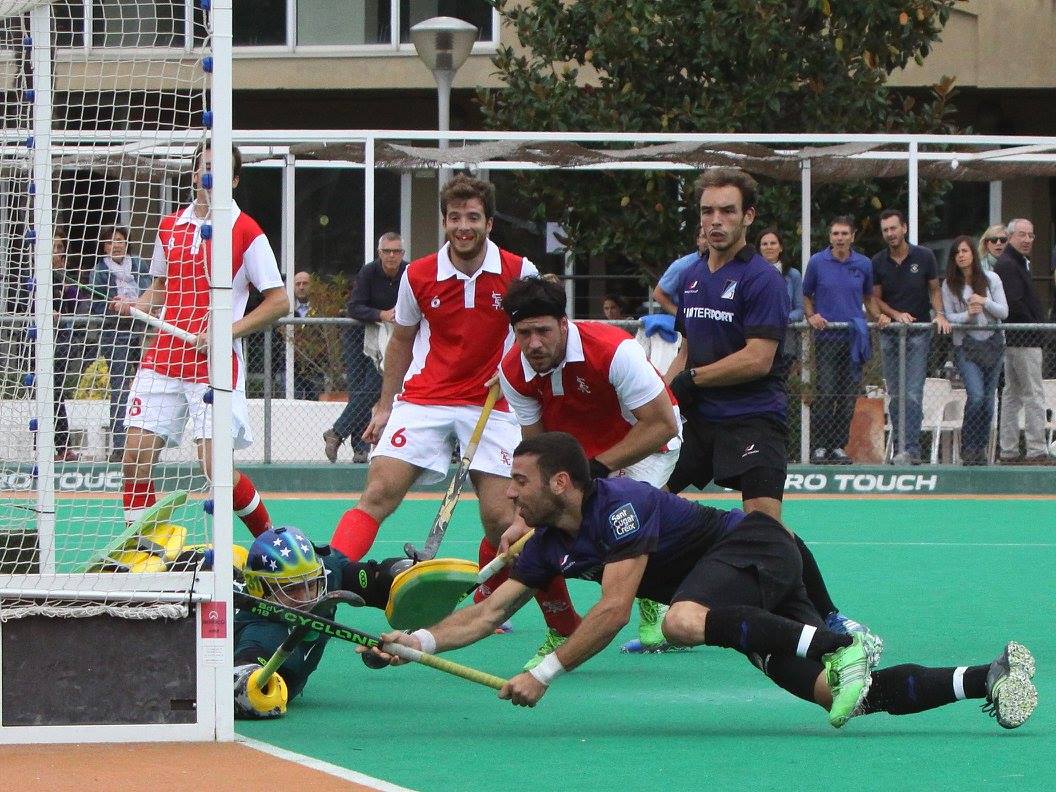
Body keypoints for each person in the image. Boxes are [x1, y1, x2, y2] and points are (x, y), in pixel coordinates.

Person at [368, 432, 1037, 731]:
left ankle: (838, 641)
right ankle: (988, 677)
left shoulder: (619, 505)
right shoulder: (548, 544)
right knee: (843, 698)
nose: (511, 497)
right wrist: (417, 642)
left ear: (562, 484)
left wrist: (543, 676)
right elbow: (485, 615)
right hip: (735, 598)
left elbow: (613, 610)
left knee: (682, 621)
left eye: (521, 482)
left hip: (757, 551)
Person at [328, 175, 580, 664]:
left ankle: (563, 623)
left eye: (473, 218)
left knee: (505, 519)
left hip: (494, 400)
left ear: (488, 221)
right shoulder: (419, 274)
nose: (463, 228)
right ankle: (325, 584)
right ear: (444, 222)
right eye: (454, 218)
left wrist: (514, 373)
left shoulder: (516, 269)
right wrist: (385, 405)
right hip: (427, 397)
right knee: (378, 492)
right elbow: (401, 340)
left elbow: (536, 335)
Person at [662, 169, 857, 636]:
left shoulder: (762, 279)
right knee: (646, 503)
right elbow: (686, 350)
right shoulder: (689, 276)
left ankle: (826, 613)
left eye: (727, 211)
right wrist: (661, 399)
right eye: (708, 211)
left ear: (747, 217)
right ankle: (657, 609)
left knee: (764, 529)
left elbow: (757, 358)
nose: (716, 220)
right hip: (699, 421)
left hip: (753, 419)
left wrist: (693, 380)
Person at [496, 276, 682, 656]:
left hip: (647, 442)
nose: (534, 344)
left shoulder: (614, 350)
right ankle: (562, 628)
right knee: (550, 523)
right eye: (524, 333)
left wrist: (594, 468)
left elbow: (663, 424)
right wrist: (525, 518)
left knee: (618, 519)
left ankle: (648, 600)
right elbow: (536, 451)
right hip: (582, 451)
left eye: (543, 331)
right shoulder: (514, 370)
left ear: (564, 325)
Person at [118, 144, 288, 537]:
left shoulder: (247, 231)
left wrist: (223, 332)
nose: (210, 176)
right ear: (195, 174)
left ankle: (269, 539)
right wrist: (136, 304)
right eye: (204, 167)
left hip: (213, 365)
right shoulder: (168, 226)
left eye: (220, 170)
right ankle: (145, 547)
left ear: (235, 180)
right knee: (133, 458)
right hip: (162, 357)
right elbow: (162, 287)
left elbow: (280, 301)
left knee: (216, 469)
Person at [232, 525, 414, 719]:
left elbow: (373, 579)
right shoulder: (257, 635)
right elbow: (239, 684)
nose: (307, 598)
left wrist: (407, 574)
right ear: (260, 590)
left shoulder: (324, 577)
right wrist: (248, 680)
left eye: (311, 584)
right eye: (291, 589)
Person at [871, 209, 950, 465]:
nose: (890, 234)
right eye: (885, 230)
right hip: (891, 335)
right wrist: (894, 315)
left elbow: (935, 289)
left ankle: (911, 449)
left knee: (913, 393)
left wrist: (939, 314)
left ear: (904, 228)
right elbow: (874, 299)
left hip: (918, 333)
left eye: (894, 228)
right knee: (895, 394)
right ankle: (900, 447)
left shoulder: (924, 256)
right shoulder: (878, 261)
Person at [324, 232, 408, 463]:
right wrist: (381, 314)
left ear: (402, 253)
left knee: (374, 386)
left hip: (391, 340)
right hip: (359, 336)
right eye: (387, 251)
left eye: (397, 251)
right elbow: (354, 307)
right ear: (379, 253)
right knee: (357, 388)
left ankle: (336, 433)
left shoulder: (409, 273)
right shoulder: (368, 272)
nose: (392, 256)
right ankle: (359, 448)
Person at [803, 216, 881, 465]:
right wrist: (811, 315)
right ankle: (820, 447)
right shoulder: (817, 262)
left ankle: (837, 446)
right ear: (830, 236)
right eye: (835, 233)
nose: (840, 238)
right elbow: (806, 295)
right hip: (827, 338)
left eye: (844, 233)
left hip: (854, 339)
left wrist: (879, 317)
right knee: (826, 393)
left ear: (852, 236)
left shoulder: (864, 264)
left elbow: (869, 297)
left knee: (847, 396)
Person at [941, 236, 1008, 465]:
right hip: (965, 347)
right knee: (977, 396)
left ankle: (979, 449)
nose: (961, 255)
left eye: (965, 251)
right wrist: (968, 315)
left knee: (989, 401)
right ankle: (968, 446)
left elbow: (1004, 312)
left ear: (973, 254)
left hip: (993, 345)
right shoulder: (949, 285)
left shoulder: (991, 279)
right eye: (957, 252)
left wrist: (984, 301)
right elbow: (949, 317)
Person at [89, 226, 152, 462]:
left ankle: (145, 445)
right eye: (110, 242)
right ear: (104, 247)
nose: (115, 245)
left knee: (146, 386)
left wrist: (135, 304)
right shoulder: (99, 272)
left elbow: (150, 293)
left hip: (142, 330)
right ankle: (119, 446)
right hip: (115, 333)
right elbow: (97, 305)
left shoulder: (139, 265)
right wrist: (115, 305)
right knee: (119, 387)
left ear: (127, 243)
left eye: (119, 241)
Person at [992, 219, 1049, 464]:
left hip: (1017, 339)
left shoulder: (1016, 263)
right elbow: (1014, 303)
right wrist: (1036, 327)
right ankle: (1037, 450)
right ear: (1011, 236)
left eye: (1031, 235)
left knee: (1012, 395)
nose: (1027, 240)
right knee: (1033, 394)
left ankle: (1009, 450)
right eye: (1022, 235)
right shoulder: (1008, 264)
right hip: (1024, 340)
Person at [51, 234, 91, 462]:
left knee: (57, 390)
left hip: (61, 339)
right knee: (43, 392)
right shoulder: (34, 277)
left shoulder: (67, 279)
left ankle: (62, 447)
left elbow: (78, 304)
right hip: (35, 340)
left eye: (60, 247)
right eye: (54, 247)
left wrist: (67, 289)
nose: (57, 252)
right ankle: (47, 446)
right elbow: (25, 301)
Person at [758, 227, 803, 360]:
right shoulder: (751, 275)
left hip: (786, 340)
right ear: (759, 249)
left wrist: (782, 318)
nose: (769, 247)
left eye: (773, 243)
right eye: (764, 244)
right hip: (758, 338)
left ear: (781, 247)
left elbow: (800, 310)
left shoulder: (793, 275)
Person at [287, 271, 326, 401]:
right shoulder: (287, 309)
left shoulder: (322, 309)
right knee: (291, 402)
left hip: (316, 365)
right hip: (290, 364)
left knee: (315, 402)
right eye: (298, 284)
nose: (301, 287)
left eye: (305, 283)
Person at [652, 226, 708, 315]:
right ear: (698, 240)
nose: (708, 241)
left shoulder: (727, 265)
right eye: (704, 236)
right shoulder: (682, 265)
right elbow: (658, 294)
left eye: (711, 236)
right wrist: (681, 316)